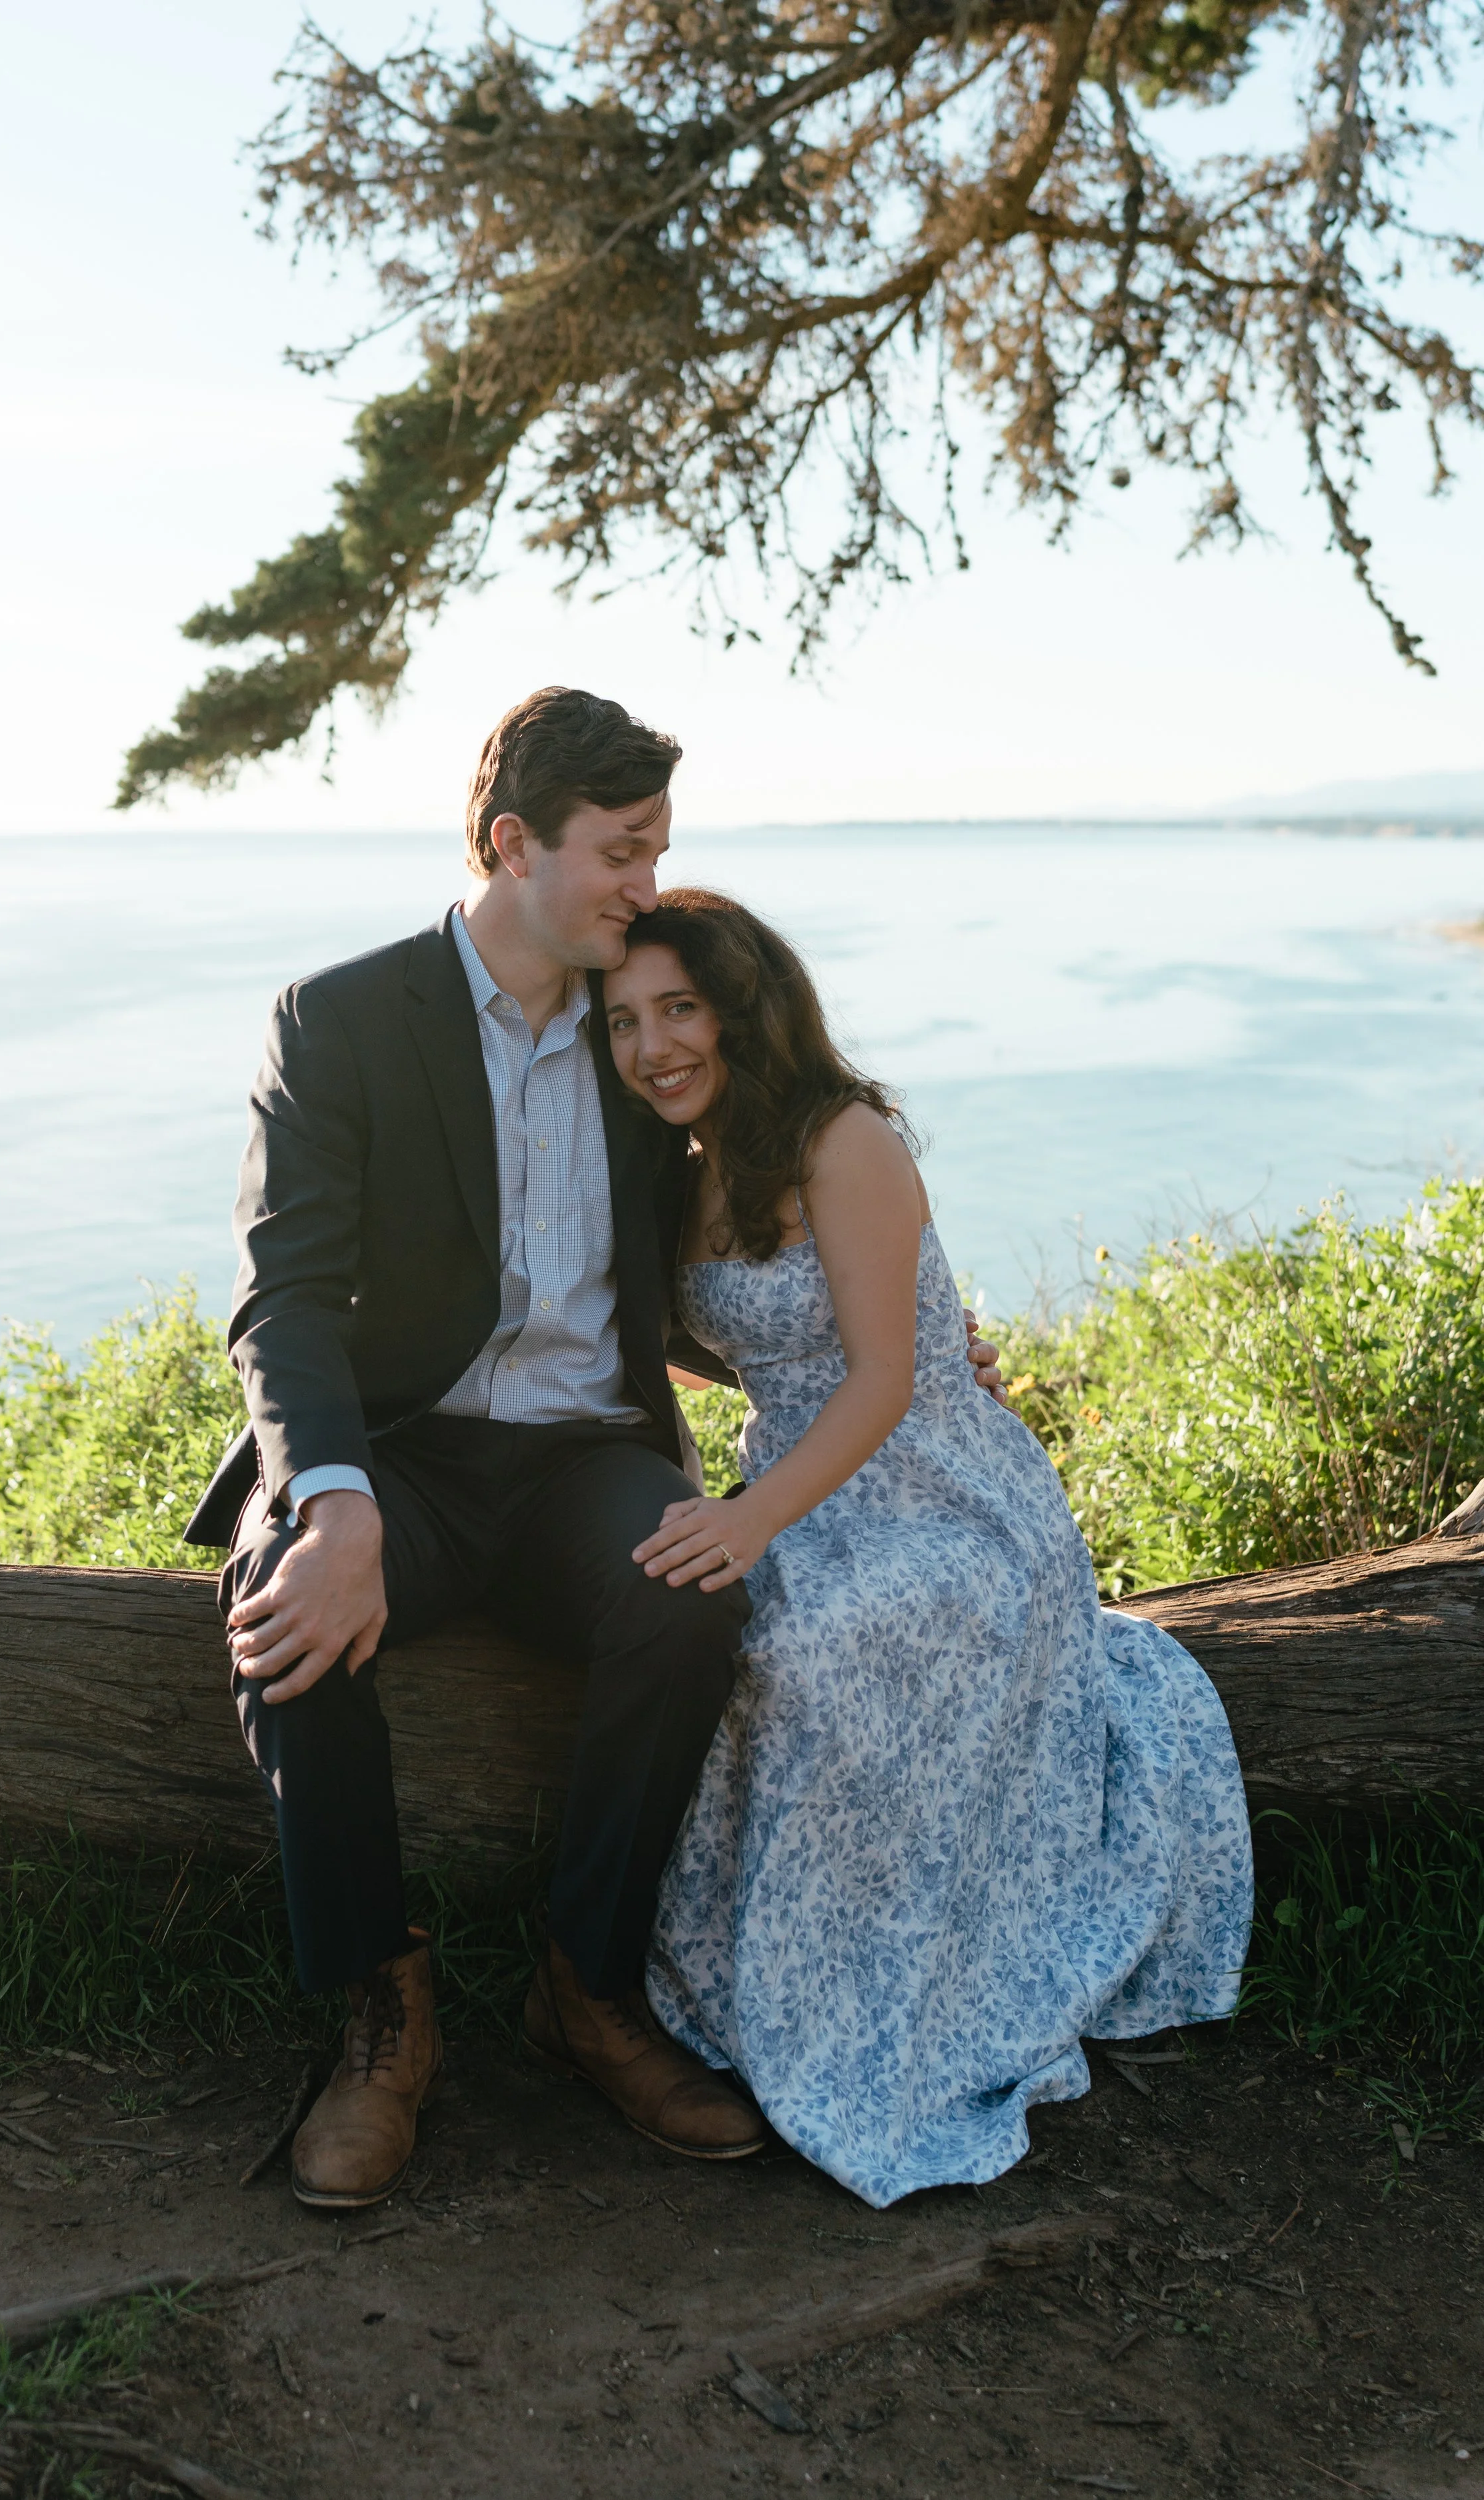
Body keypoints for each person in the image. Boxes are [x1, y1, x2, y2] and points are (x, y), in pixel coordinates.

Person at [190, 688, 1005, 2211]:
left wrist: (890, 1340)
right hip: (403, 1450)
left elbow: (742, 1235)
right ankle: (381, 2008)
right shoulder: (343, 1017)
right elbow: (281, 1299)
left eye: (656, 852)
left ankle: (588, 1989)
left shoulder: (644, 1033)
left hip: (586, 1455)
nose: (646, 885)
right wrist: (336, 1500)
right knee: (287, 1611)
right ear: (515, 845)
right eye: (621, 851)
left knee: (686, 1599)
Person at [600, 889, 1255, 2209]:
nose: (652, 1045)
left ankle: (885, 2007)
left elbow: (885, 1380)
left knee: (826, 1654)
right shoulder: (685, 1166)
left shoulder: (845, 1140)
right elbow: (714, 1337)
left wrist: (747, 1516)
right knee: (746, 1651)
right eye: (621, 1020)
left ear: (744, 1005)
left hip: (939, 1493)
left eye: (678, 1008)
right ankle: (767, 1995)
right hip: (801, 1475)